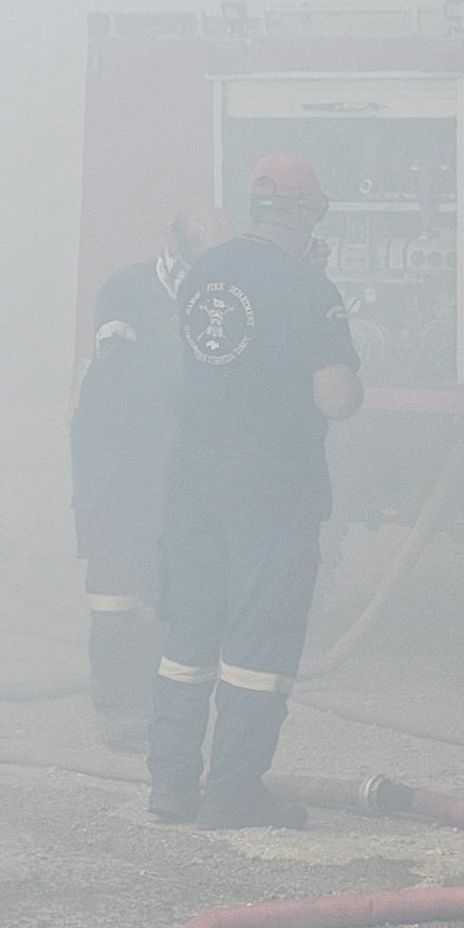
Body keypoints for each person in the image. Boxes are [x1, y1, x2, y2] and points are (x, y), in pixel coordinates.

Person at [147, 152, 363, 828]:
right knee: (258, 643)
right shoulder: (308, 288)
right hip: (272, 488)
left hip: (192, 483)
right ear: (303, 214)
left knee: (190, 633)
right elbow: (336, 399)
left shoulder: (202, 274)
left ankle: (171, 785)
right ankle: (233, 792)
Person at [70, 207, 230, 749]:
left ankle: (161, 702)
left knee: (168, 583)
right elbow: (121, 369)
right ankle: (119, 706)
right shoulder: (127, 290)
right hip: (117, 460)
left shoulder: (222, 297)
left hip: (177, 462)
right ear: (175, 242)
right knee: (117, 585)